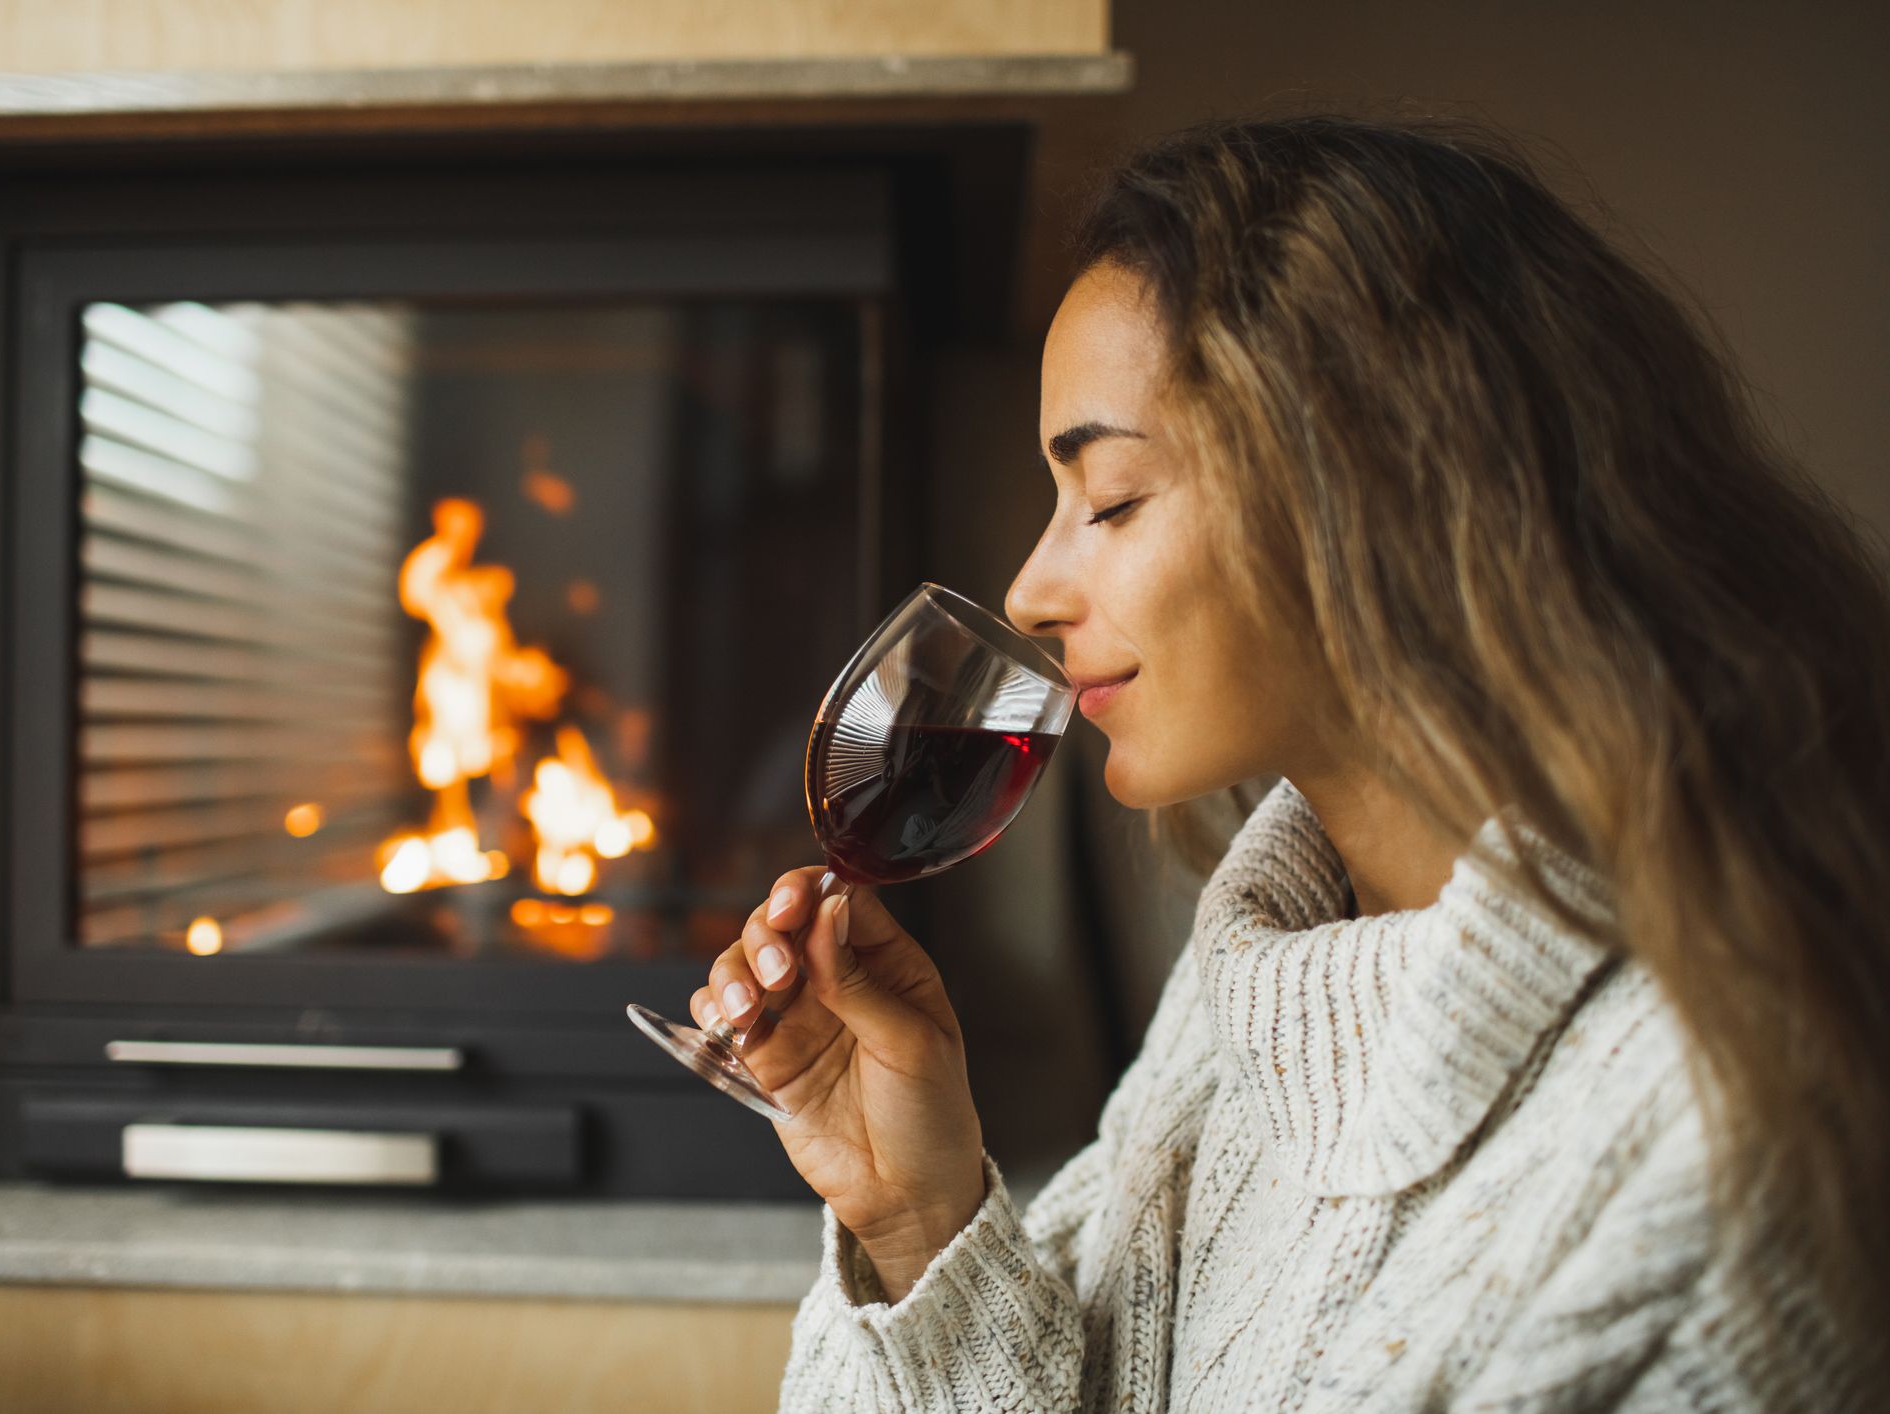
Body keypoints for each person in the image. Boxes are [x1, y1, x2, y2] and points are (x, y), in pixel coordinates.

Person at [692, 115, 1890, 1410]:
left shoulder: (1716, 1137)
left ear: (1377, 485)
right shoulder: (1249, 990)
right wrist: (916, 1214)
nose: (1031, 590)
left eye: (1110, 499)